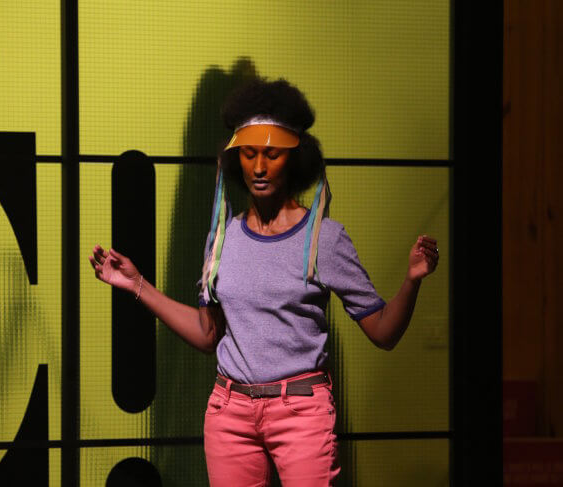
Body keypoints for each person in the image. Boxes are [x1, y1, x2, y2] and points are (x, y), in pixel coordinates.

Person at [89, 78, 439, 486]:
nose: (258, 167)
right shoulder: (224, 239)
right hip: (230, 412)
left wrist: (412, 281)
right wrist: (137, 285)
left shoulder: (323, 239)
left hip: (301, 412)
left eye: (272, 154)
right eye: (249, 153)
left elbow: (383, 332)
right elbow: (208, 334)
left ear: (294, 158)